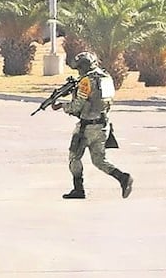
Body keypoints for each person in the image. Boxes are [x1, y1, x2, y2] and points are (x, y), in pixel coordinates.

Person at [51, 51, 133, 199]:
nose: (78, 71)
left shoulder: (86, 81)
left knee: (74, 157)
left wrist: (62, 106)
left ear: (83, 67)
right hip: (103, 125)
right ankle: (123, 178)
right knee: (99, 161)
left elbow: (77, 106)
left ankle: (78, 189)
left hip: (87, 127)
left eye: (79, 68)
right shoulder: (106, 77)